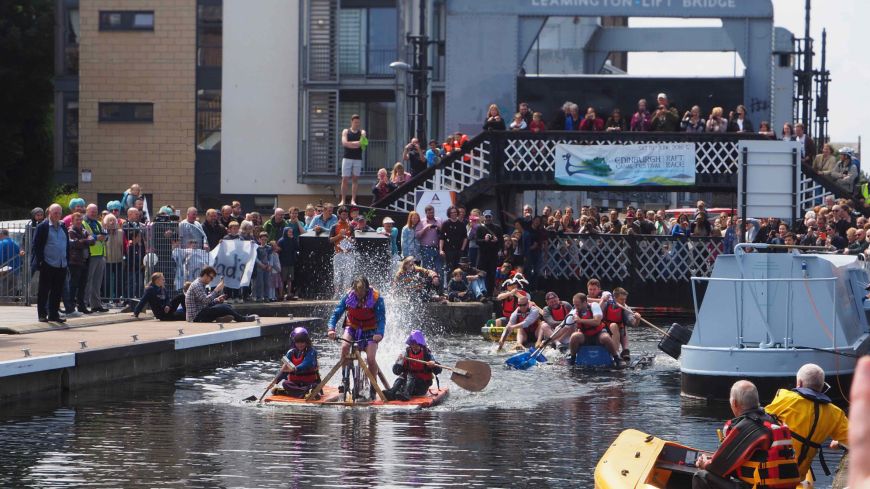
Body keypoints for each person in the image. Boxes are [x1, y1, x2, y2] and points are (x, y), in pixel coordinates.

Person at [693, 380, 801, 489]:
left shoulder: (747, 427)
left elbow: (717, 467)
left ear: (734, 403)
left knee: (701, 476)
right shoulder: (772, 421)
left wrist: (704, 464)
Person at [764, 363, 849, 481]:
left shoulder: (784, 398)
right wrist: (839, 443)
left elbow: (759, 420)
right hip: (798, 476)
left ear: (799, 383)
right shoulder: (835, 414)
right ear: (822, 386)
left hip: (770, 473)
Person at [327, 276, 386, 399]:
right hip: (352, 326)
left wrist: (379, 333)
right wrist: (331, 328)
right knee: (344, 347)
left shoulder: (376, 298)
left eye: (362, 293)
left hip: (371, 330)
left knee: (370, 358)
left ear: (366, 289)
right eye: (357, 293)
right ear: (353, 290)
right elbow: (336, 313)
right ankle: (345, 379)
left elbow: (381, 318)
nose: (359, 296)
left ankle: (373, 387)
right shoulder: (348, 296)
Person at [31, 204, 69, 322]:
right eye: (55, 213)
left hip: (61, 263)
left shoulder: (63, 226)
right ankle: (42, 314)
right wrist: (41, 261)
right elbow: (36, 245)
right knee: (44, 290)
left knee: (57, 291)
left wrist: (66, 259)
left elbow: (66, 244)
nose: (57, 215)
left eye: (59, 213)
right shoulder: (43, 226)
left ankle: (54, 314)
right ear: (49, 213)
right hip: (47, 263)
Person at [384, 330, 442, 402]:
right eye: (412, 344)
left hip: (421, 387)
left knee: (411, 376)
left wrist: (433, 365)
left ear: (420, 344)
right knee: (401, 377)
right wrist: (398, 362)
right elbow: (396, 372)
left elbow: (439, 370)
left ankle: (406, 394)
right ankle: (392, 392)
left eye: (416, 344)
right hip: (408, 385)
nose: (414, 346)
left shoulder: (427, 355)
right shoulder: (406, 354)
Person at [565, 292, 621, 365]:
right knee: (574, 336)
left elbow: (597, 322)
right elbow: (564, 327)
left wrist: (580, 320)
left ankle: (616, 358)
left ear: (584, 302)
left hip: (598, 334)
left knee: (606, 337)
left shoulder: (594, 306)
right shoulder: (574, 311)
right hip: (585, 335)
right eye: (574, 304)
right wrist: (552, 339)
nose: (576, 307)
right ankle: (572, 358)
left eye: (577, 305)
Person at [185, 266, 255, 323]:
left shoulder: (201, 284)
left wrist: (217, 300)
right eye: (211, 278)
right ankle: (243, 319)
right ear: (205, 275)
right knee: (224, 308)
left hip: (200, 313)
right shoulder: (197, 285)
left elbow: (205, 303)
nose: (211, 280)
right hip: (195, 317)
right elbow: (205, 301)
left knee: (227, 306)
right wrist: (216, 289)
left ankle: (220, 318)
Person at [498, 285, 550, 351]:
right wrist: (502, 339)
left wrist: (513, 327)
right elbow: (509, 326)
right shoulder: (516, 312)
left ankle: (538, 341)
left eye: (524, 305)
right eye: (520, 305)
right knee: (519, 328)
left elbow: (526, 323)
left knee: (542, 323)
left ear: (528, 304)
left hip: (536, 333)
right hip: (525, 335)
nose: (522, 307)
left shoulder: (534, 310)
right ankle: (519, 344)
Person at [273, 327, 321, 398]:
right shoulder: (290, 353)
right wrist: (275, 381)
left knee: (314, 386)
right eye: (297, 342)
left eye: (302, 342)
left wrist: (295, 368)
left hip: (309, 382)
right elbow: (284, 371)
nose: (300, 345)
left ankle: (296, 392)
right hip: (296, 383)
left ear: (306, 342)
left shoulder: (311, 352)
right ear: (294, 342)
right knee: (285, 383)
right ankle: (306, 392)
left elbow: (307, 363)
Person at [81, 204, 109, 313]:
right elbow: (86, 236)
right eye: (91, 211)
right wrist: (98, 237)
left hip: (100, 254)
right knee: (87, 281)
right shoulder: (84, 223)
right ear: (87, 211)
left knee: (97, 282)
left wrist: (103, 237)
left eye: (95, 211)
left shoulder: (97, 223)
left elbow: (104, 235)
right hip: (90, 255)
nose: (94, 213)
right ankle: (83, 304)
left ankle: (96, 305)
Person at [600, 287, 640, 360]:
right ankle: (616, 353)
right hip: (604, 330)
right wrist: (602, 301)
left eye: (625, 299)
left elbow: (634, 324)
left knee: (617, 326)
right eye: (622, 299)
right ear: (614, 298)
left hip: (618, 331)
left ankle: (621, 351)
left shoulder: (625, 308)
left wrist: (637, 319)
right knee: (613, 325)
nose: (624, 302)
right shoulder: (606, 304)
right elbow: (597, 314)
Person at [340, 114, 366, 206]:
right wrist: (355, 144)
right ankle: (343, 200)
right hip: (347, 157)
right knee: (345, 179)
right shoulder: (346, 131)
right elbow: (344, 143)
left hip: (357, 158)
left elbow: (362, 143)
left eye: (358, 122)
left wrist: (350, 144)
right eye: (355, 122)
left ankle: (353, 200)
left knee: (355, 179)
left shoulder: (362, 132)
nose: (357, 124)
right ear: (351, 122)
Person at [329, 206, 354, 297]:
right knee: (337, 273)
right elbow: (330, 240)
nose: (345, 216)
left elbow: (354, 240)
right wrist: (340, 235)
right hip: (338, 253)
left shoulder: (350, 226)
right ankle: (336, 293)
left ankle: (346, 293)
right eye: (343, 214)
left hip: (348, 253)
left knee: (348, 273)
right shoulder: (334, 226)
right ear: (339, 215)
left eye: (346, 214)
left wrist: (350, 241)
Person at [476, 210, 502, 294]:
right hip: (483, 255)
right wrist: (485, 240)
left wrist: (496, 240)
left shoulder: (497, 228)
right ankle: (481, 292)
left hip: (493, 255)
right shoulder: (480, 227)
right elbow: (477, 241)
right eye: (486, 217)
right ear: (483, 217)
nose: (488, 218)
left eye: (489, 217)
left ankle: (490, 293)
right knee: (481, 273)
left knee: (492, 274)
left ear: (492, 217)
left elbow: (501, 241)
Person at [440, 206, 467, 279]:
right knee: (450, 269)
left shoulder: (461, 224)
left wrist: (462, 249)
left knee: (459, 269)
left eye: (455, 212)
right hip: (448, 250)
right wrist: (441, 249)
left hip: (459, 250)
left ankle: (459, 286)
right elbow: (442, 238)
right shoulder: (445, 223)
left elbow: (465, 237)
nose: (453, 214)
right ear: (449, 213)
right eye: (451, 212)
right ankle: (450, 287)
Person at [416, 205, 442, 277]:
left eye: (432, 213)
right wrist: (426, 228)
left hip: (437, 248)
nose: (431, 214)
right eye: (429, 213)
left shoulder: (439, 220)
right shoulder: (421, 222)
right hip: (425, 248)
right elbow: (417, 235)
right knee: (427, 269)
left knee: (438, 269)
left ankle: (438, 286)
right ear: (426, 213)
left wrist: (440, 229)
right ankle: (426, 286)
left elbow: (443, 234)